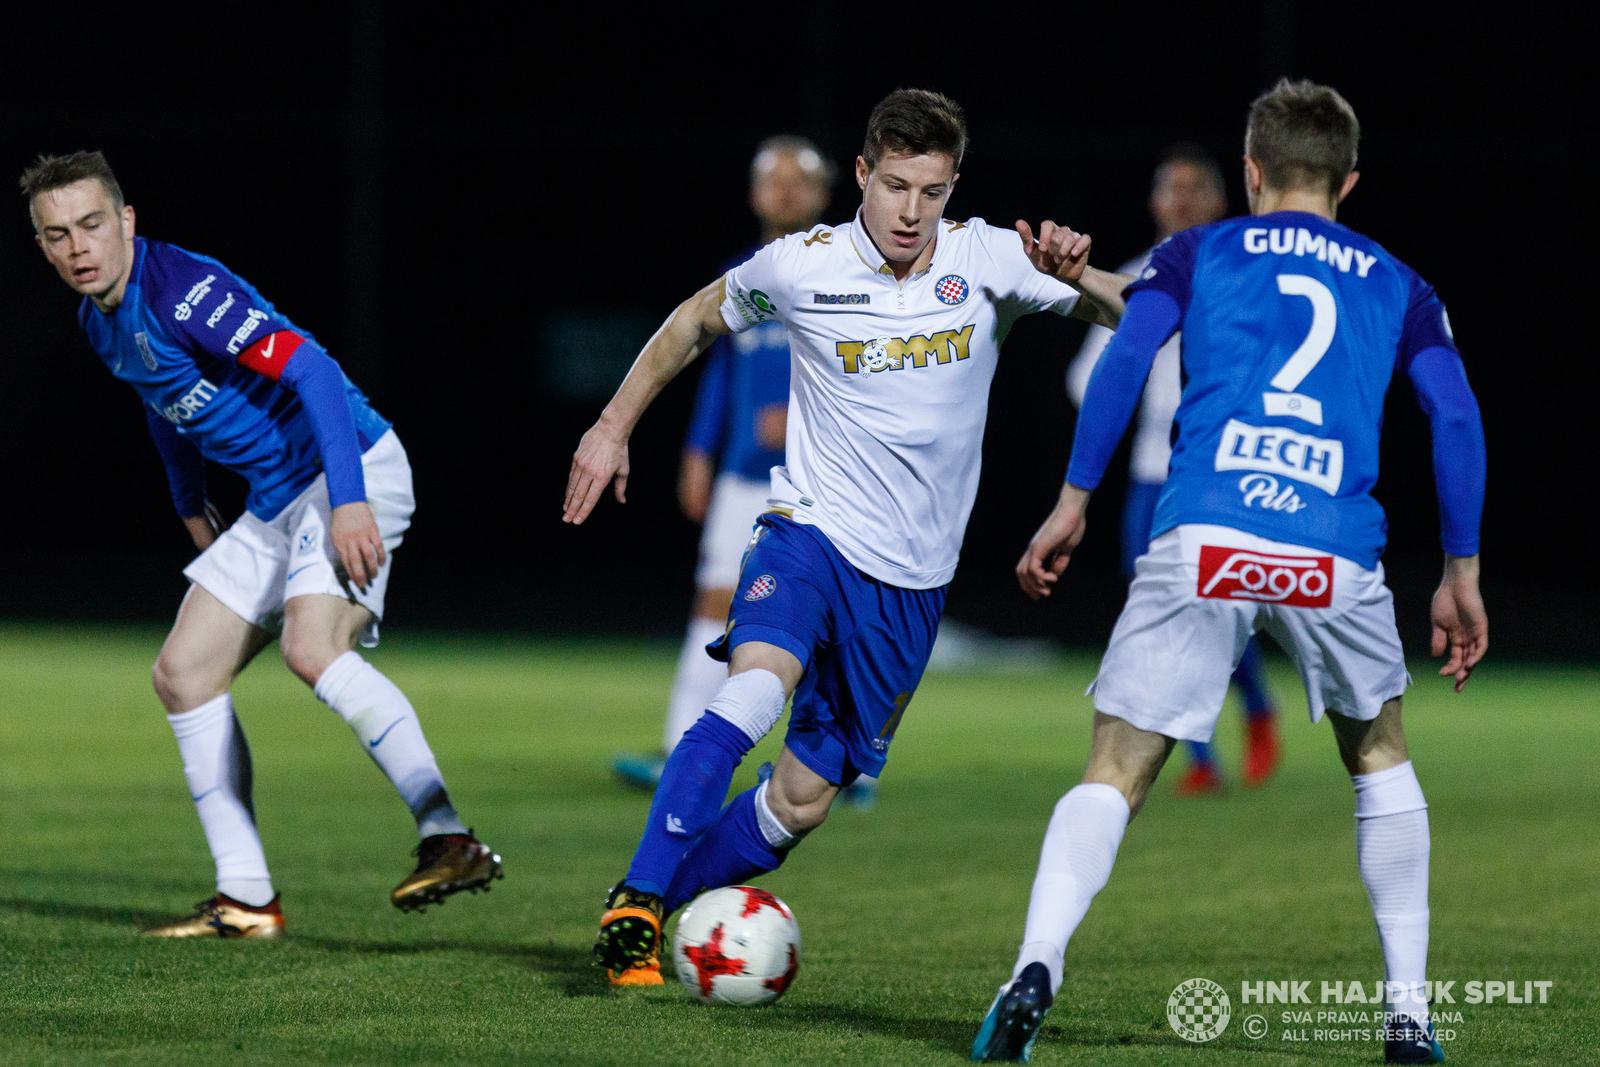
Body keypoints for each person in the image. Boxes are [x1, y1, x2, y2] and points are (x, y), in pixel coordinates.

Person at [564, 89, 1132, 985]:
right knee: (756, 686)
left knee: (799, 802)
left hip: (910, 584)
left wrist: (1082, 270)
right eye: (897, 186)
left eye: (933, 192)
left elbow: (1130, 315)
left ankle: (660, 904)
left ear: (954, 186)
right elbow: (693, 320)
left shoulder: (991, 259)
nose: (912, 212)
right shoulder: (801, 264)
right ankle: (635, 902)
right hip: (809, 533)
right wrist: (612, 424)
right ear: (864, 175)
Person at [972, 80, 1485, 1065]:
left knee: (1116, 768)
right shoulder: (1401, 284)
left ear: (1249, 173)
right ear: (1348, 179)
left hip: (1207, 531)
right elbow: (1455, 417)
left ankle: (1034, 963)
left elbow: (1129, 351)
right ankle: (1409, 1016)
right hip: (1333, 549)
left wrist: (1074, 499)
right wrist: (1459, 567)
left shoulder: (1202, 249)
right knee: (1380, 761)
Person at [21, 152, 501, 939]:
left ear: (126, 221)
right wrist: (190, 509)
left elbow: (311, 369)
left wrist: (349, 503)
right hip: (279, 498)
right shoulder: (96, 317)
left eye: (92, 225)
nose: (78, 247)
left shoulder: (185, 291)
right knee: (182, 673)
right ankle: (246, 898)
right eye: (57, 234)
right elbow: (162, 401)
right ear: (42, 246)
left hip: (352, 463)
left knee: (312, 648)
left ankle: (449, 835)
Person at [611, 137, 850, 794]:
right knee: (714, 606)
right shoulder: (742, 271)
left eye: (797, 180)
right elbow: (719, 369)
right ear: (754, 194)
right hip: (744, 475)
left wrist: (800, 416)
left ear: (824, 194)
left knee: (834, 614)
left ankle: (836, 759)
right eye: (771, 180)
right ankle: (678, 748)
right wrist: (697, 452)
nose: (783, 191)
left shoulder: (846, 270)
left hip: (825, 478)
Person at [1066, 144, 1281, 796]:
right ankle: (1201, 756)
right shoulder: (1133, 275)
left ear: (1221, 199)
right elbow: (1083, 381)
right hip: (1154, 472)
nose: (1182, 199)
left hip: (1226, 473)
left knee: (1217, 612)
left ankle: (1257, 705)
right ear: (1155, 201)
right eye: (1171, 187)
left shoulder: (1251, 274)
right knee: (1162, 615)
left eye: (1196, 188)